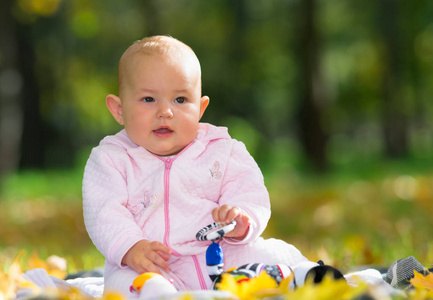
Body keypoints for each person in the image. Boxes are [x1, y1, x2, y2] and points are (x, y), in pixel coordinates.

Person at [82, 35, 310, 297]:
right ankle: (160, 294)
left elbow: (249, 191)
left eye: (180, 100)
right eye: (148, 99)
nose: (165, 111)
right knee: (124, 283)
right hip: (152, 262)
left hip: (222, 254)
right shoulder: (111, 159)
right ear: (119, 110)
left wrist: (241, 218)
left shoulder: (222, 150)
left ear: (200, 108)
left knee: (269, 251)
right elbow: (104, 211)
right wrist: (131, 247)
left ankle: (303, 273)